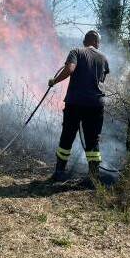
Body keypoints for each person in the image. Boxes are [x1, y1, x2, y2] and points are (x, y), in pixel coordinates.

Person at [48, 30, 110, 183]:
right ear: (96, 42)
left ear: (84, 41)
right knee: (93, 140)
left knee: (67, 136)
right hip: (96, 105)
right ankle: (93, 178)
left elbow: (69, 69)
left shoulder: (76, 51)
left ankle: (59, 172)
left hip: (75, 103)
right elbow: (102, 79)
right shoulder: (103, 57)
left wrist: (54, 81)